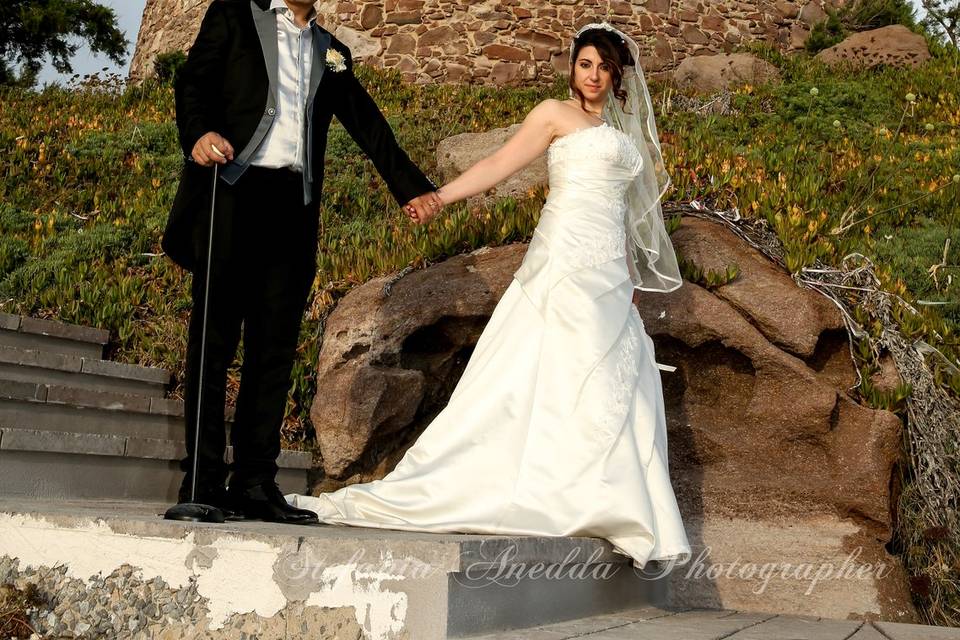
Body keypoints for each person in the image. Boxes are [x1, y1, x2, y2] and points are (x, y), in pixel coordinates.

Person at [286, 22, 692, 569]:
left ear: (619, 76)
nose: (594, 76)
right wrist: (438, 198)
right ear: (573, 67)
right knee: (558, 362)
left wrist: (627, 273)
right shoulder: (552, 113)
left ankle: (604, 498)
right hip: (564, 256)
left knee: (610, 372)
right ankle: (562, 493)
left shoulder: (621, 133)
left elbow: (623, 212)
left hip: (609, 270)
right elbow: (500, 165)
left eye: (605, 67)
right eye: (586, 64)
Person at [161, 0, 443, 524]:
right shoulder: (235, 14)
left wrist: (412, 189)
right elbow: (193, 81)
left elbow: (367, 122)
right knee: (213, 342)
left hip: (294, 207)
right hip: (233, 190)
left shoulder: (330, 50)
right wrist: (198, 133)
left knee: (274, 347)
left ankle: (253, 482)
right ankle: (200, 480)